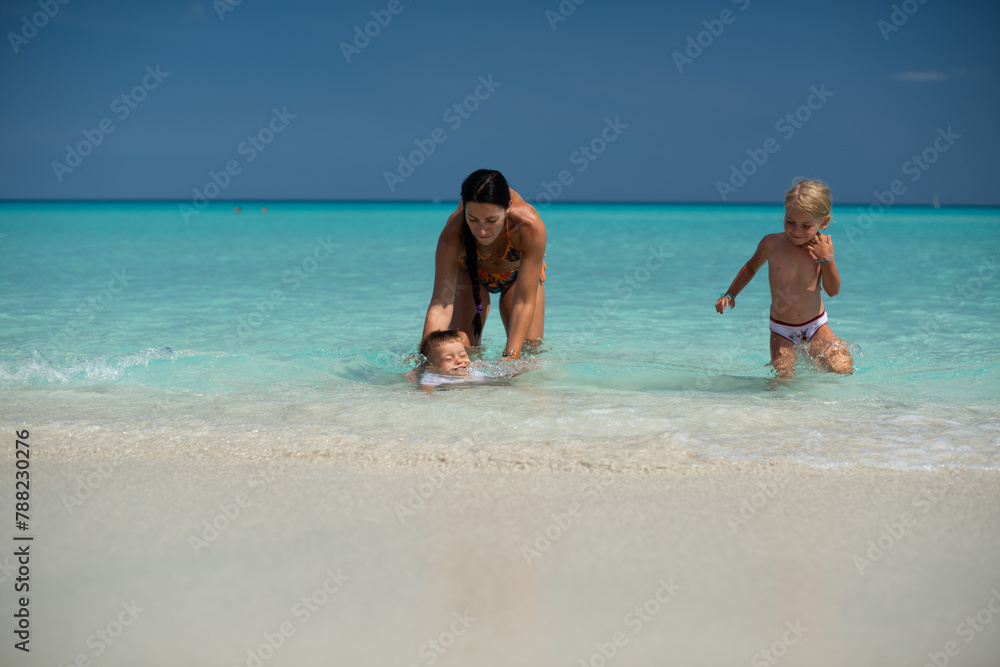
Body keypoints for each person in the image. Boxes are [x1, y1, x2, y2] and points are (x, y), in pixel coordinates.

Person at [714, 179, 853, 376]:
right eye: (790, 222)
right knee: (783, 378)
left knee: (843, 367)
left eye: (806, 225)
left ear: (823, 222)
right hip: (782, 330)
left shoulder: (823, 247)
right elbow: (751, 268)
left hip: (816, 325)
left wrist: (826, 260)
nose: (796, 231)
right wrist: (730, 294)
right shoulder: (771, 244)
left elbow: (833, 291)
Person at [421, 169, 546, 359]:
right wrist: (424, 358)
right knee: (463, 349)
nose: (481, 231)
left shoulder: (529, 227)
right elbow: (441, 305)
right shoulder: (453, 235)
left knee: (530, 352)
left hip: (517, 277)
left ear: (508, 207)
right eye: (472, 219)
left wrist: (511, 356)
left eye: (491, 220)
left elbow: (524, 301)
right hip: (470, 276)